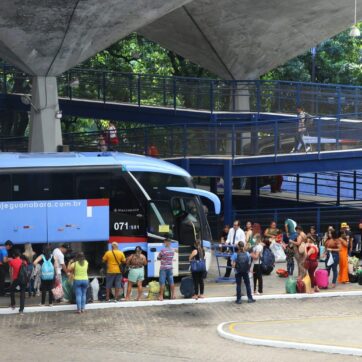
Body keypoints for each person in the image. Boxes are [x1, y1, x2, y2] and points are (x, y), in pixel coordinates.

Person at [9, 249, 27, 314]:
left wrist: (12, 278)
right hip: (23, 279)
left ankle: (13, 304)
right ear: (19, 255)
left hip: (16, 279)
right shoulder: (24, 262)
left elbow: (11, 271)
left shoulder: (12, 261)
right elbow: (25, 271)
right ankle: (21, 310)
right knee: (22, 294)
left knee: (11, 289)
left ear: (14, 255)